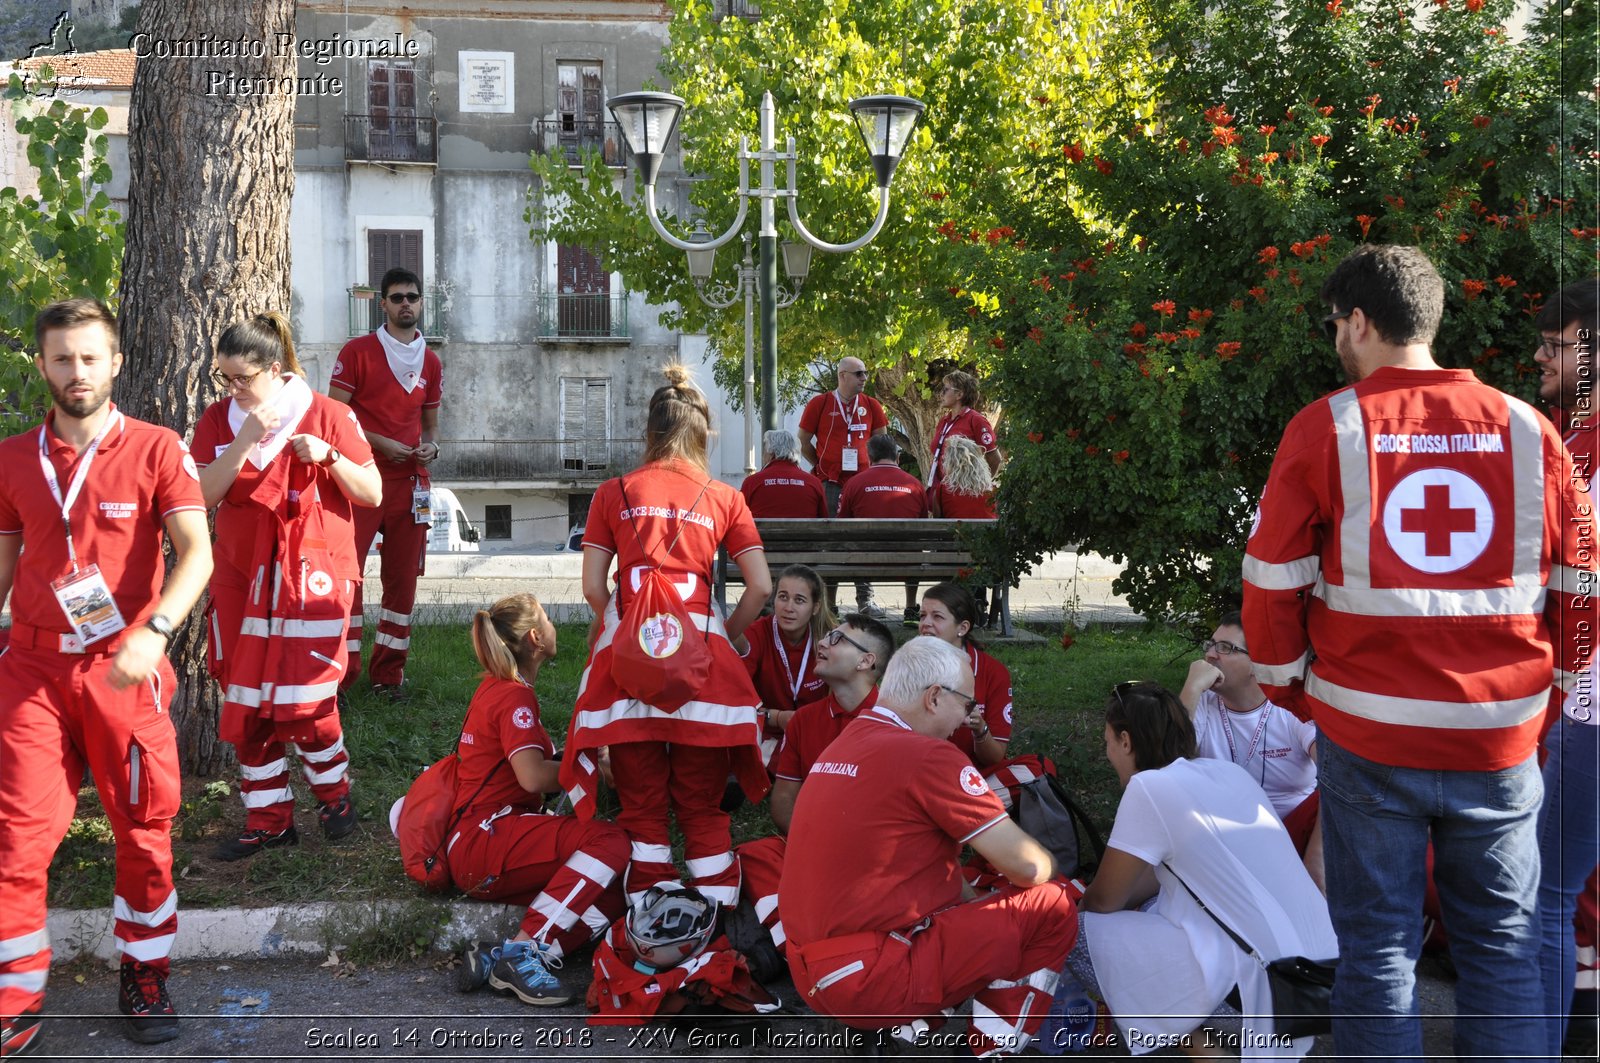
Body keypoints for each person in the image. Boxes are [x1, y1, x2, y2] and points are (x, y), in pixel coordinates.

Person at [1243, 245, 1594, 1060]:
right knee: (1502, 946)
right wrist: (1550, 695)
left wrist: (1295, 690)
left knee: (1378, 952)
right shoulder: (1528, 428)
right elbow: (1585, 587)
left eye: (1337, 323)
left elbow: (1270, 586)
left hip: (1367, 736)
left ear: (1359, 321)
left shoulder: (1326, 425)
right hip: (1499, 736)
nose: (1337, 338)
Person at [0, 299, 213, 1054]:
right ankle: (14, 999)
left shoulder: (157, 448)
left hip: (124, 667)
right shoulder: (11, 457)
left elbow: (197, 555)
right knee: (15, 842)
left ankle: (145, 974)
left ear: (116, 362)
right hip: (30, 672)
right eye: (62, 357)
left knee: (144, 833)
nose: (77, 371)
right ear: (42, 366)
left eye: (90, 357)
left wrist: (156, 632)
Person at [781, 636, 1077, 1057]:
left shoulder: (845, 741)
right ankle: (989, 1050)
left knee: (964, 902)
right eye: (967, 704)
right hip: (870, 977)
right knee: (1054, 904)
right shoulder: (928, 756)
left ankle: (904, 1032)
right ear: (934, 697)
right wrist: (1052, 864)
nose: (967, 718)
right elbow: (1028, 869)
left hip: (810, 970)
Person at [560, 365, 772, 909]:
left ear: (649, 432)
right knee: (703, 812)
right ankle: (716, 928)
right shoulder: (725, 497)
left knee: (643, 813)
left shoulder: (614, 492)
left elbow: (591, 586)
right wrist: (718, 637)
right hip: (705, 675)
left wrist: (627, 631)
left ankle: (653, 931)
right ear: (702, 434)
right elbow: (761, 588)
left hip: (629, 676)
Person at [192, 313, 382, 861]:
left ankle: (334, 798)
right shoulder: (220, 420)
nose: (233, 389)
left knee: (308, 700)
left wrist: (331, 456)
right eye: (224, 379)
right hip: (239, 575)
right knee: (245, 697)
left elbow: (370, 492)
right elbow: (202, 493)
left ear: (274, 370)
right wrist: (245, 438)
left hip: (310, 578)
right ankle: (270, 819)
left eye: (242, 379)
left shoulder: (329, 414)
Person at [1078, 682, 1337, 1059]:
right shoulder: (1229, 773)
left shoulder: (1148, 787)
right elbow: (1162, 880)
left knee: (1069, 934)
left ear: (1126, 741)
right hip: (1322, 978)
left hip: (1271, 991)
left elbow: (1102, 902)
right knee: (1155, 909)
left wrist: (1069, 900)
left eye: (1107, 743)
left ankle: (1207, 1052)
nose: (1107, 754)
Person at [447, 594, 629, 1007]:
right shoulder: (514, 695)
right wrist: (593, 771)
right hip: (487, 837)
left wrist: (579, 755)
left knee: (614, 893)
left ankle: (506, 953)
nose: (553, 628)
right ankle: (522, 953)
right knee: (611, 844)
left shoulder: (501, 687)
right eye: (548, 620)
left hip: (485, 836)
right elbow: (531, 777)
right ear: (535, 638)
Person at [735, 612, 895, 959]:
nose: (822, 643)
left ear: (866, 661)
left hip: (873, 860)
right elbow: (783, 806)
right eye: (826, 637)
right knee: (755, 855)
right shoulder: (805, 720)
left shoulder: (897, 720)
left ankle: (817, 946)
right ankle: (804, 950)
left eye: (837, 639)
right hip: (813, 849)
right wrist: (819, 847)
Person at [1531, 277, 1600, 1057]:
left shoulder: (1585, 446)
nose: (1541, 356)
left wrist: (1548, 687)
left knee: (1548, 895)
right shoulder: (1569, 433)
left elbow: (1583, 594)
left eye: (1559, 343)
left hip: (1585, 704)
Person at [328, 267, 443, 702]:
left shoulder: (431, 361)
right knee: (346, 580)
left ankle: (388, 678)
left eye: (412, 297)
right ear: (382, 304)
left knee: (402, 584)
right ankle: (340, 674)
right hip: (358, 480)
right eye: (397, 298)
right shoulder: (357, 352)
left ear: (421, 302)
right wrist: (379, 444)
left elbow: (431, 427)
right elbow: (334, 417)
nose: (406, 304)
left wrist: (431, 449)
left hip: (411, 485)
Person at [1177, 612, 1323, 889]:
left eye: (1226, 648)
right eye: (1211, 644)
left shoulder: (1292, 707)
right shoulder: (1202, 703)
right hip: (1221, 835)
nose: (1210, 655)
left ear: (1259, 663)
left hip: (1289, 836)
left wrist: (1317, 860)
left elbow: (1338, 776)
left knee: (1334, 798)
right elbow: (1164, 766)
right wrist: (1192, 688)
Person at [798, 356, 889, 615]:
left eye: (866, 374)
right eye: (859, 374)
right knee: (831, 540)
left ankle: (866, 601)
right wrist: (820, 467)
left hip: (862, 485)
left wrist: (872, 471)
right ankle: (828, 603)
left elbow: (881, 442)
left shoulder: (871, 405)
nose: (864, 379)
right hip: (831, 482)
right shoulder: (821, 403)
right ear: (842, 376)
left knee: (863, 538)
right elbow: (803, 441)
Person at [730, 564, 834, 757]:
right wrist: (776, 718)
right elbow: (735, 700)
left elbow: (848, 697)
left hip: (815, 733)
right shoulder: (757, 633)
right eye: (783, 597)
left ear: (815, 607)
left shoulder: (829, 639)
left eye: (799, 600)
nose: (788, 608)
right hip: (766, 733)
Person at [838, 434, 928, 625]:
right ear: (898, 457)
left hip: (864, 561)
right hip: (907, 561)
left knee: (849, 545)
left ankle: (834, 606)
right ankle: (911, 608)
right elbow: (922, 524)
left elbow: (842, 524)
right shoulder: (915, 485)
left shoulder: (854, 483)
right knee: (914, 546)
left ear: (870, 458)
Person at [918, 581, 1011, 767]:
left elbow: (994, 758)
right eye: (922, 616)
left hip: (972, 777)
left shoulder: (992, 672)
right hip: (920, 772)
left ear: (962, 628)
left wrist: (979, 728)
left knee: (1036, 769)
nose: (925, 623)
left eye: (937, 617)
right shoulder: (907, 665)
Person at [929, 434, 999, 626]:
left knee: (959, 550)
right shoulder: (992, 489)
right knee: (978, 552)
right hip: (987, 557)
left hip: (953, 556)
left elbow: (939, 522)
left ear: (950, 461)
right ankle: (977, 601)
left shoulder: (944, 489)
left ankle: (961, 604)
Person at [927, 368, 1001, 493]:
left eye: (945, 389)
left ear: (959, 395)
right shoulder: (944, 421)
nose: (941, 394)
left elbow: (994, 458)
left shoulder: (976, 420)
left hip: (965, 492)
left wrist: (980, 486)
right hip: (942, 490)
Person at [740, 429, 827, 519]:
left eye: (764, 451)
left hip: (763, 533)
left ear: (770, 453)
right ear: (796, 451)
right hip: (804, 533)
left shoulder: (751, 483)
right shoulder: (814, 483)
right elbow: (824, 520)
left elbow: (740, 519)